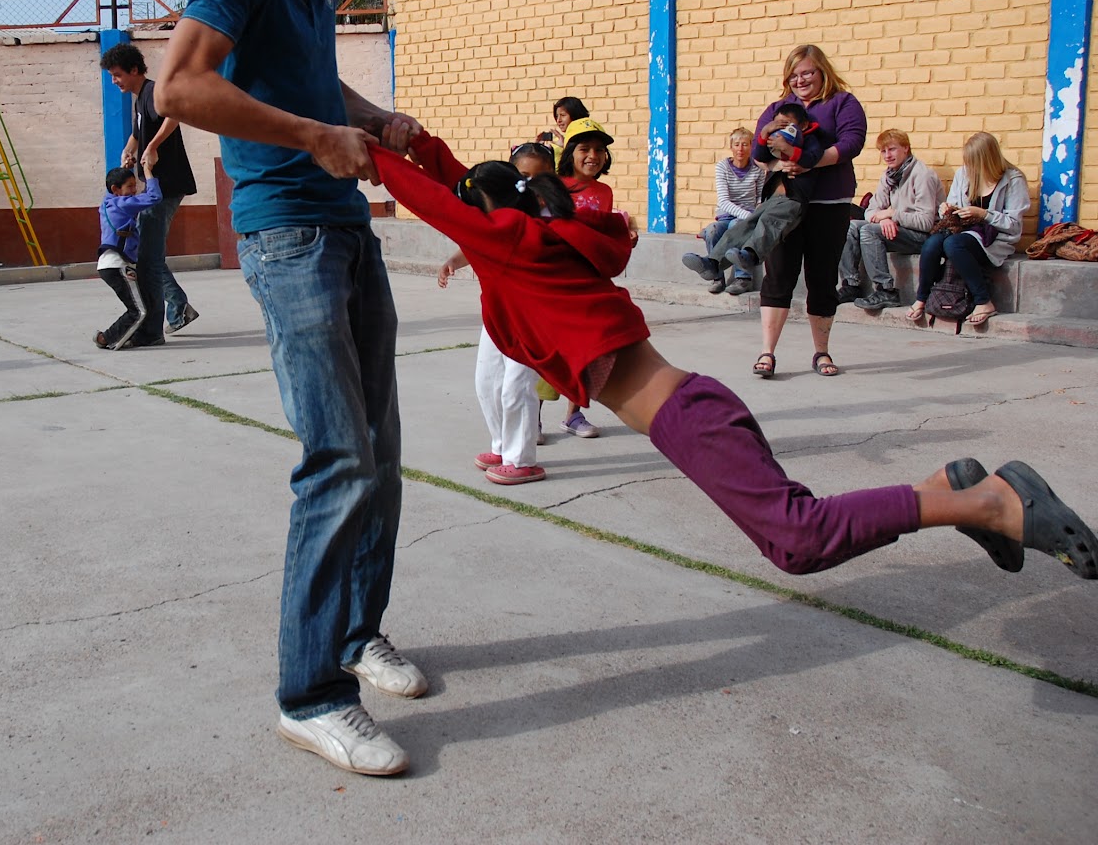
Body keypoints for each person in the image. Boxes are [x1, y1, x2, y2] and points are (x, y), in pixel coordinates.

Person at [372, 131, 1097, 600]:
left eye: (476, 220)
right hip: (693, 405)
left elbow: (442, 201)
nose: (466, 231)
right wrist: (409, 139)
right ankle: (950, 489)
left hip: (686, 418)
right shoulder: (532, 241)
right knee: (797, 537)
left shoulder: (515, 244)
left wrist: (367, 156)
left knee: (799, 540)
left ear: (493, 220)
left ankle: (993, 501)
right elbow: (459, 184)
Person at [154, 0, 427, 778]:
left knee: (380, 457)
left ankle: (356, 636)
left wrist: (370, 116)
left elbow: (314, 87)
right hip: (289, 232)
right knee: (337, 459)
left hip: (344, 227)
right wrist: (313, 140)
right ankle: (310, 697)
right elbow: (178, 89)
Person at [437, 140, 558, 482]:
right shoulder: (494, 216)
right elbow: (474, 243)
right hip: (496, 315)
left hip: (529, 319)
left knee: (517, 388)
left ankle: (523, 460)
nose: (529, 185)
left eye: (539, 177)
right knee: (487, 381)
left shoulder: (549, 219)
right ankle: (502, 445)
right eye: (523, 176)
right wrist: (453, 261)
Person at [752, 45, 867, 380]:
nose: (800, 80)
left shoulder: (843, 103)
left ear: (822, 72)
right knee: (778, 275)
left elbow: (851, 143)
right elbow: (761, 148)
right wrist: (778, 163)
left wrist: (811, 160)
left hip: (829, 203)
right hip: (786, 203)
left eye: (807, 73)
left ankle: (822, 351)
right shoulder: (778, 108)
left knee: (822, 278)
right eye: (794, 74)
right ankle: (767, 352)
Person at [100, 42, 200, 343]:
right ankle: (172, 312)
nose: (114, 81)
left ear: (133, 70)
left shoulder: (155, 91)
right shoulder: (140, 98)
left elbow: (175, 113)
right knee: (147, 255)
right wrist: (132, 146)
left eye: (117, 75)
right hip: (158, 186)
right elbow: (139, 129)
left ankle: (155, 327)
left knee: (149, 260)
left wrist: (153, 147)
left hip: (166, 185)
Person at [681, 102, 825, 286]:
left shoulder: (811, 139)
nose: (779, 130)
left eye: (786, 125)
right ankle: (713, 262)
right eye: (776, 124)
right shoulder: (774, 141)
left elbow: (812, 158)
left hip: (793, 199)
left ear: (803, 126)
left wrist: (788, 148)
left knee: (769, 223)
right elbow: (760, 156)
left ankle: (750, 255)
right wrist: (765, 134)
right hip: (773, 198)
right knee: (745, 225)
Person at [556, 117, 632, 438]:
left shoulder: (604, 191)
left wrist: (623, 237)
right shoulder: (554, 186)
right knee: (551, 353)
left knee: (587, 350)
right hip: (557, 281)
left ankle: (574, 414)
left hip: (589, 281)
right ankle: (533, 417)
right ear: (570, 151)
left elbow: (601, 234)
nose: (593, 156)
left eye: (599, 150)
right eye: (584, 148)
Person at [907, 131, 1030, 327]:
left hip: (994, 236)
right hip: (964, 229)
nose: (970, 167)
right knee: (932, 244)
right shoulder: (964, 174)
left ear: (988, 160)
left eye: (974, 162)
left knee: (954, 245)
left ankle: (984, 301)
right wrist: (947, 208)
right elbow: (952, 203)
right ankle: (922, 297)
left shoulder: (1013, 179)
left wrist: (983, 214)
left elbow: (1013, 224)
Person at [838, 128, 943, 310]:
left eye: (892, 149)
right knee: (850, 226)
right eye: (883, 151)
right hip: (897, 229)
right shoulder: (889, 175)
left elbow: (926, 223)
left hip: (922, 237)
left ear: (906, 148)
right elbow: (870, 211)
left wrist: (893, 215)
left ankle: (886, 290)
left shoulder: (922, 175)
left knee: (869, 231)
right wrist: (883, 218)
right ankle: (851, 285)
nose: (887, 155)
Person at [94, 162, 161, 350]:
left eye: (135, 185)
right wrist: (148, 171)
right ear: (116, 189)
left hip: (109, 264)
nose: (134, 190)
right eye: (130, 187)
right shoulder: (123, 204)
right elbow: (155, 196)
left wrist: (124, 168)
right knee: (139, 310)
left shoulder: (108, 203)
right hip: (118, 265)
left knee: (141, 303)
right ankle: (106, 339)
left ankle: (132, 337)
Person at [697, 127, 768, 295]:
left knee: (737, 226)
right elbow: (723, 201)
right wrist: (748, 215)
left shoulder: (757, 168)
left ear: (751, 147)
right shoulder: (722, 167)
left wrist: (754, 214)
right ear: (731, 147)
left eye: (745, 144)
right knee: (712, 231)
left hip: (745, 217)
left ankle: (743, 278)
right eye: (737, 144)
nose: (740, 149)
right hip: (727, 215)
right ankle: (716, 275)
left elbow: (760, 197)